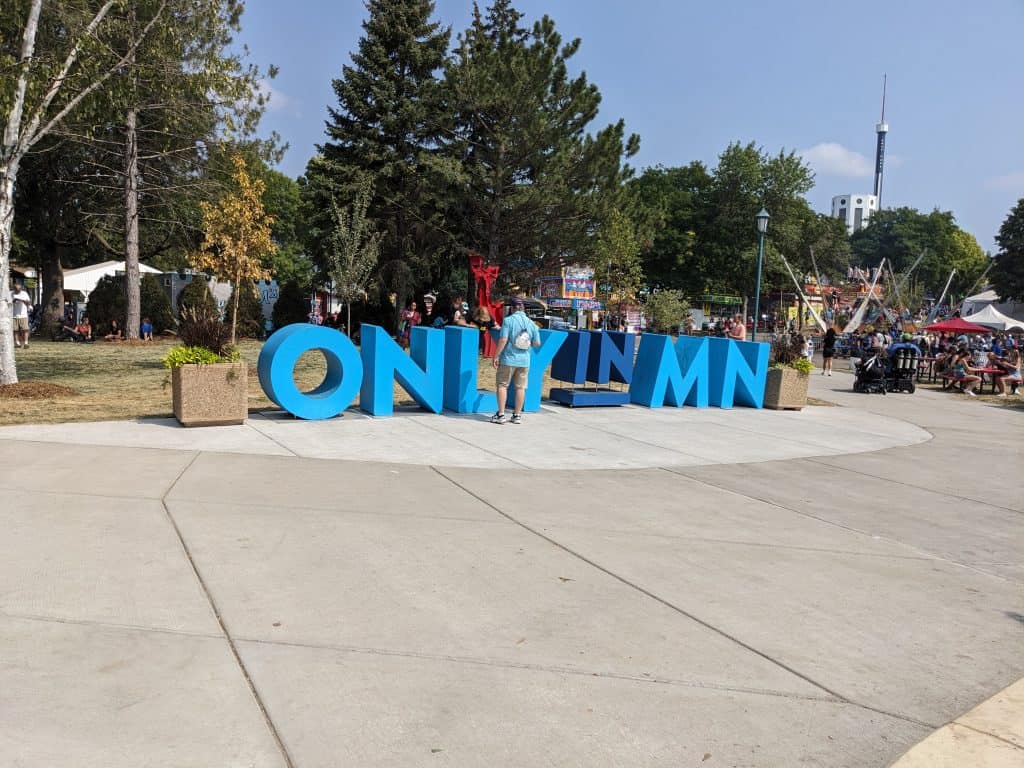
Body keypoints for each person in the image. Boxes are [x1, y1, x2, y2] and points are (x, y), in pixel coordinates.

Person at [491, 298, 540, 425]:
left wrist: (496, 356)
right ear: (523, 308)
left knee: (502, 385)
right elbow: (537, 343)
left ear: (512, 308)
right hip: (524, 360)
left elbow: (503, 339)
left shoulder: (508, 321)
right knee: (521, 387)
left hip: (508, 358)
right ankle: (517, 415)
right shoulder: (531, 323)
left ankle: (501, 414)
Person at [12, 281, 32, 348]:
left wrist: (23, 301)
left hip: (23, 315)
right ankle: (17, 343)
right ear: (14, 289)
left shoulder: (24, 293)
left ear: (21, 289)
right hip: (14, 315)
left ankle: (26, 343)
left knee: (25, 329)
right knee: (15, 330)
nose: (17, 291)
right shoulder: (11, 293)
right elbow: (8, 302)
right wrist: (13, 300)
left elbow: (28, 302)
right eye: (16, 290)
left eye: (19, 290)